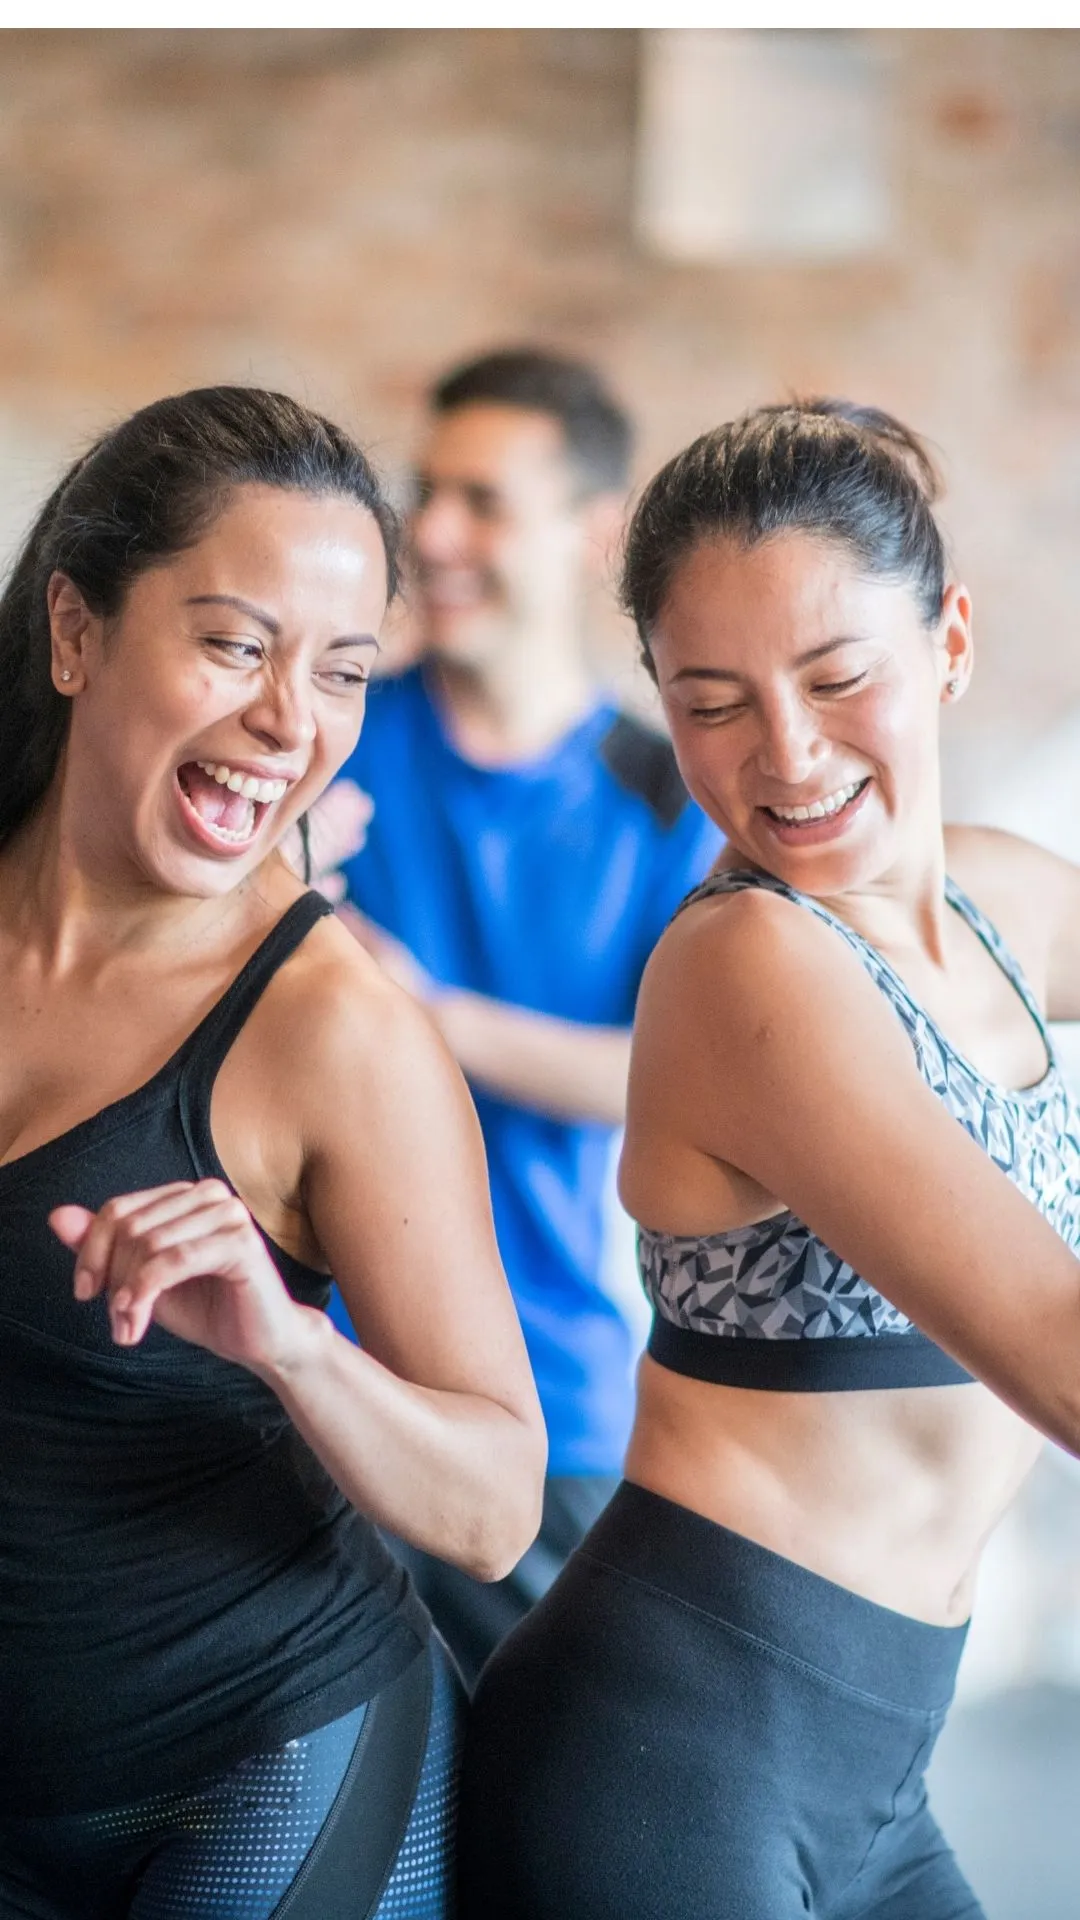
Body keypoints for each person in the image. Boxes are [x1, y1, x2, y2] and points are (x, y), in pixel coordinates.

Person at [458, 399, 1080, 1918]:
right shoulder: (752, 969)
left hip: (871, 1778)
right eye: (711, 701)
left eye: (837, 676)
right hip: (674, 1768)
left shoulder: (1008, 906)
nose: (785, 754)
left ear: (948, 644)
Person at [0, 386, 546, 1919]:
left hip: (263, 1764)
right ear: (75, 631)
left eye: (345, 672)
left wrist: (295, 1350)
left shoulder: (332, 1031)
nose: (292, 721)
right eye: (236, 644)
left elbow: (496, 1499)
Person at [334, 348, 722, 1686]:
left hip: (544, 1400)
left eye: (481, 501)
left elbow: (672, 1081)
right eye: (424, 492)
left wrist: (416, 1012)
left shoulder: (673, 799)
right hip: (296, 1379)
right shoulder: (322, 730)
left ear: (593, 530)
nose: (430, 535)